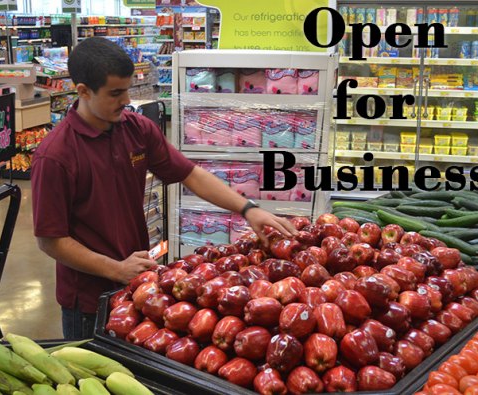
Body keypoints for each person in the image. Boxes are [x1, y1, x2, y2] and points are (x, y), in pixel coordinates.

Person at [31, 37, 297, 340]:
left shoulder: (137, 129)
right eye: (115, 93)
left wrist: (248, 209)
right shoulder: (55, 156)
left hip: (139, 283)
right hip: (89, 300)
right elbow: (51, 240)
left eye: (128, 89)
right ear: (83, 91)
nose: (126, 100)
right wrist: (115, 269)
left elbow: (191, 174)